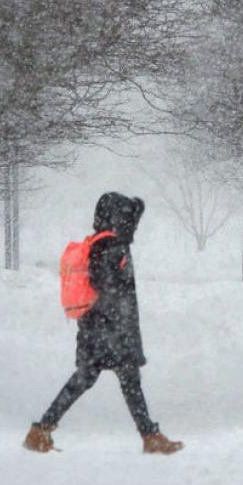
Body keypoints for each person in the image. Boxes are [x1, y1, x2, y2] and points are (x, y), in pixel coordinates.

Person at [24, 192, 183, 455]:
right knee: (124, 381)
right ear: (117, 216)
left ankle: (42, 430)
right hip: (110, 330)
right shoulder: (110, 245)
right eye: (127, 217)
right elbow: (104, 283)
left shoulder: (100, 241)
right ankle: (149, 436)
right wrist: (117, 317)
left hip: (96, 328)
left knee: (91, 379)